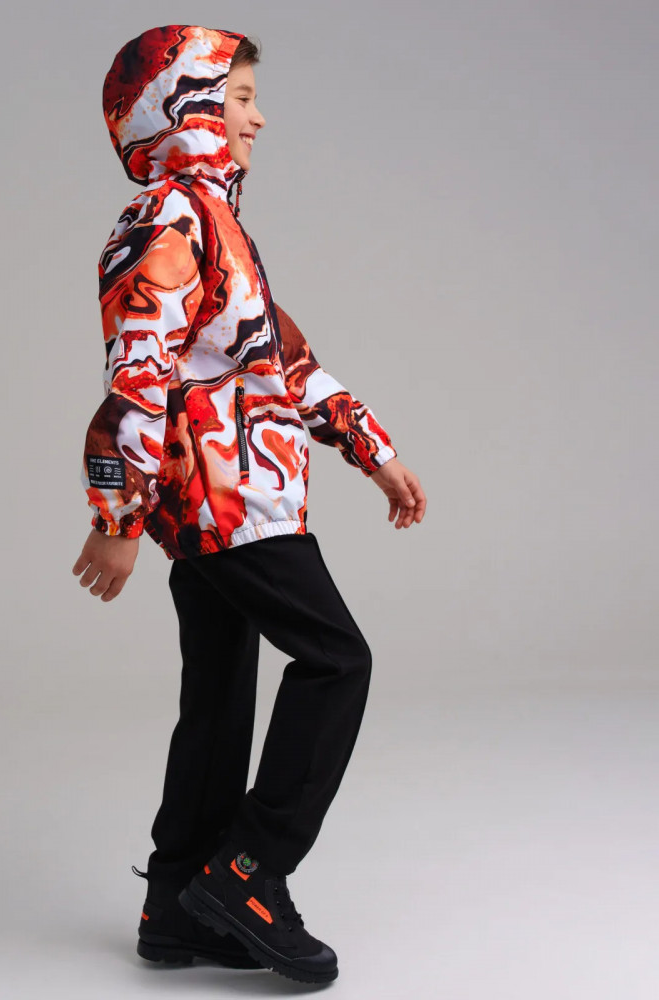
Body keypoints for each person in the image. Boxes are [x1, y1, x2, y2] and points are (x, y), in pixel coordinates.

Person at [71, 24, 426, 984]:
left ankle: (175, 904)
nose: (259, 118)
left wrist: (373, 451)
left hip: (227, 498)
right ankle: (249, 873)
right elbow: (137, 373)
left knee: (221, 695)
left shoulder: (215, 225)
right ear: (183, 108)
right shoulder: (169, 224)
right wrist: (116, 519)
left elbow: (284, 364)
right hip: (227, 502)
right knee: (338, 660)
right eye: (239, 98)